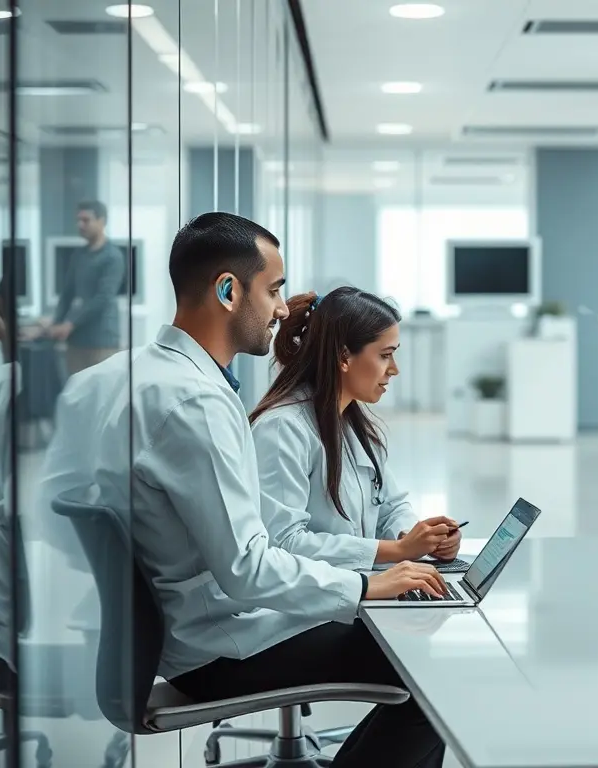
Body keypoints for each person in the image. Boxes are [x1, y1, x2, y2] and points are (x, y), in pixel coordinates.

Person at [42, 212, 448, 767]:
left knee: (403, 634)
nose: (283, 310)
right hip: (221, 651)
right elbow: (247, 568)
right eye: (273, 290)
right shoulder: (198, 403)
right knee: (428, 669)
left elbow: (56, 513)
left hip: (177, 637)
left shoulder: (104, 379)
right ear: (229, 291)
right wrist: (365, 585)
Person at [249, 287, 462, 569]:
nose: (394, 369)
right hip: (313, 595)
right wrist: (397, 549)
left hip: (356, 584)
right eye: (385, 355)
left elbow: (391, 506)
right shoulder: (282, 429)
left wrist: (419, 538)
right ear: (344, 357)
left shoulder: (353, 424)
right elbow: (283, 543)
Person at [46, 200, 126, 375]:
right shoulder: (78, 255)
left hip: (101, 341)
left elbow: (103, 297)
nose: (80, 225)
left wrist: (69, 323)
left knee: (101, 389)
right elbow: (67, 294)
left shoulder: (113, 257)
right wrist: (56, 323)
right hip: (76, 340)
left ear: (101, 221)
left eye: (86, 220)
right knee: (75, 388)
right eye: (78, 220)